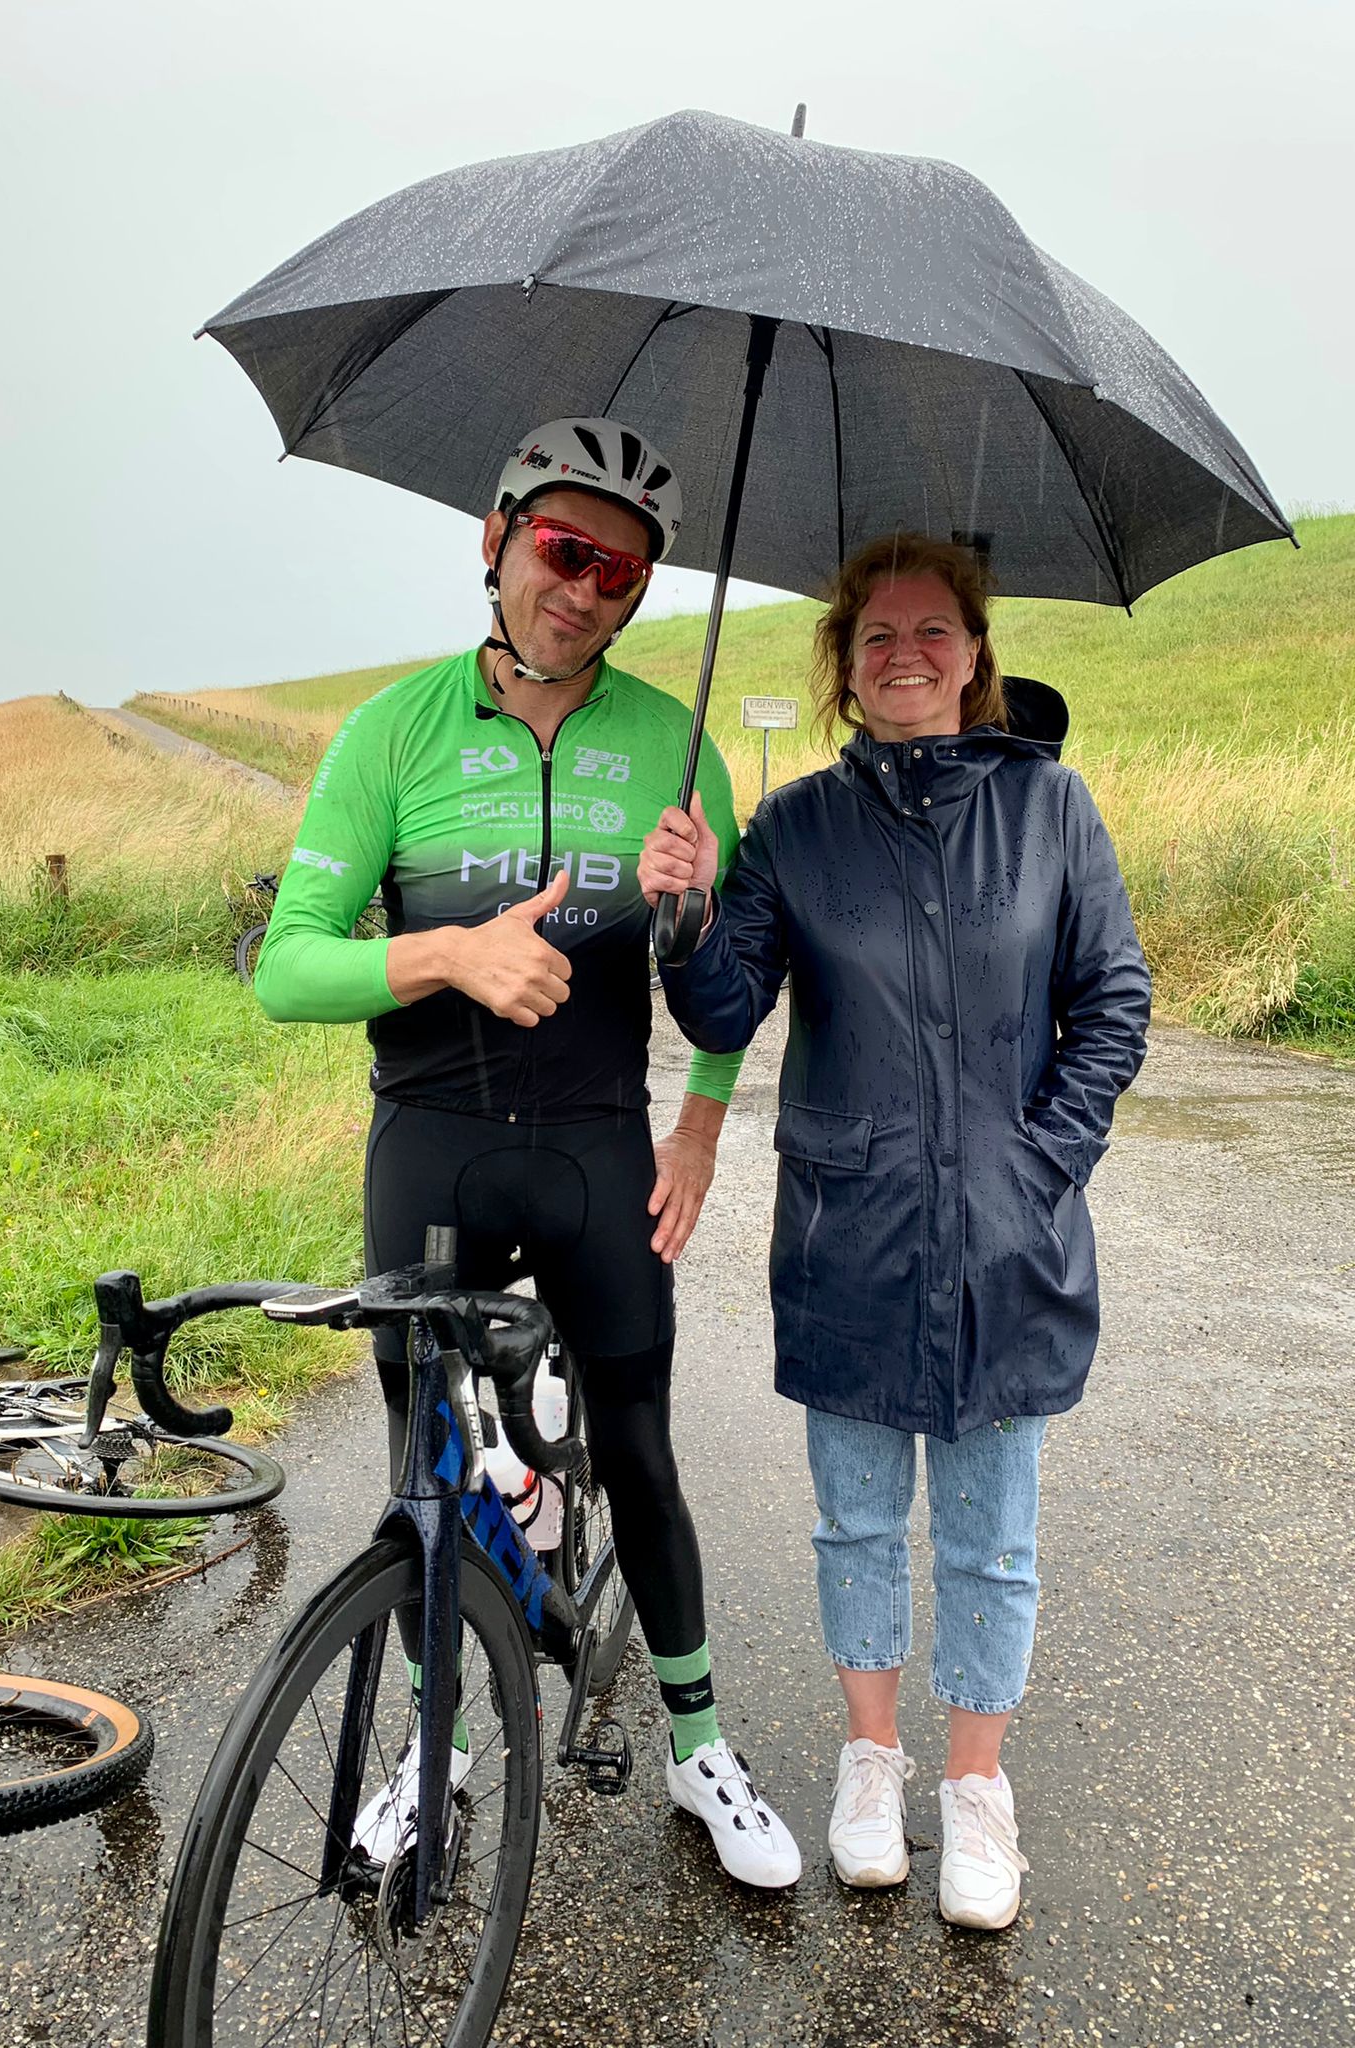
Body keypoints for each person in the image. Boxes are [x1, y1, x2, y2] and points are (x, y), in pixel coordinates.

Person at [254, 417, 801, 1889]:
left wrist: (700, 1109)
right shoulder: (395, 730)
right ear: (494, 542)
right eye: (564, 549)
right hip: (430, 1149)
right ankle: (437, 1745)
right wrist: (449, 955)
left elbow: (719, 994)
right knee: (429, 1468)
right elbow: (288, 968)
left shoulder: (674, 747)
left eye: (623, 572)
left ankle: (698, 1746)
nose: (587, 589)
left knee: (641, 1444)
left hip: (596, 1149)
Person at [638, 531, 1150, 1926]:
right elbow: (726, 1008)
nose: (906, 654)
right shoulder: (797, 827)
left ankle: (976, 1788)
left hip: (1006, 1239)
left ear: (975, 656)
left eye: (933, 631)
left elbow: (1113, 1002)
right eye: (877, 636)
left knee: (992, 1535)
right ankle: (872, 1763)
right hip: (848, 1234)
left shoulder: (1051, 809)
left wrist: (1042, 1166)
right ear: (846, 669)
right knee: (856, 1522)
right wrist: (686, 911)